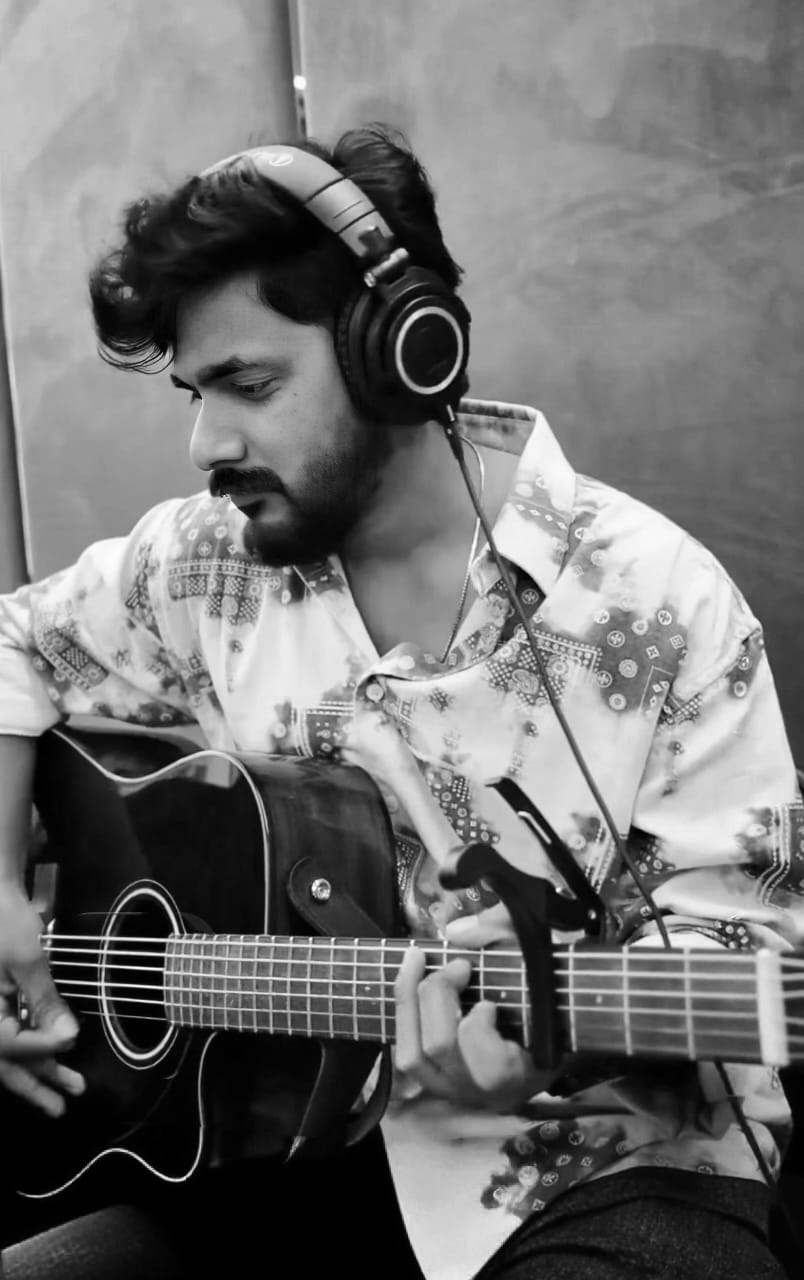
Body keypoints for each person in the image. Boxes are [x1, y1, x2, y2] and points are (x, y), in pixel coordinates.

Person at [0, 122, 800, 1280]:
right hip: (271, 1151)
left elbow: (748, 953)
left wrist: (555, 1048)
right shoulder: (203, 564)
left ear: (403, 353)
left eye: (249, 384)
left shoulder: (658, 600)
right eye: (193, 391)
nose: (205, 440)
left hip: (601, 1168)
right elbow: (13, 645)